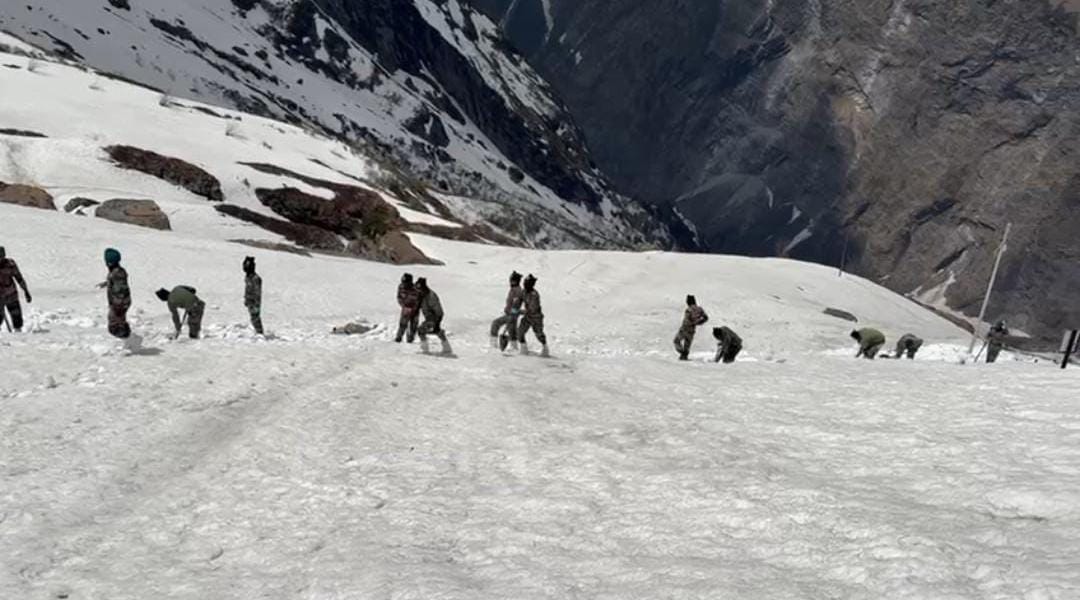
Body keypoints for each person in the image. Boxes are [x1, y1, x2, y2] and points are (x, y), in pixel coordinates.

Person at [416, 277, 452, 355]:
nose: (418, 291)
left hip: (435, 317)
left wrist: (435, 320)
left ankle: (425, 349)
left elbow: (437, 309)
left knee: (421, 330)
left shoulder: (431, 296)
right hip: (430, 317)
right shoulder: (421, 296)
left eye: (419, 289)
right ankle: (447, 348)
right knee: (436, 331)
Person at [490, 271, 524, 351]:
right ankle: (495, 344)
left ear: (515, 281)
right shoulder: (513, 289)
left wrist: (513, 313)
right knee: (499, 325)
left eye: (511, 280)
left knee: (504, 327)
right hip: (509, 314)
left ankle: (513, 347)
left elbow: (516, 304)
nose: (510, 282)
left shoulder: (518, 291)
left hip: (512, 315)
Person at [103, 247, 132, 340]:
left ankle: (123, 341)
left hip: (120, 303)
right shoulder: (117, 271)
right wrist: (107, 283)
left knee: (114, 323)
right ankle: (127, 339)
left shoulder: (117, 273)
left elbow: (121, 289)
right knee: (118, 320)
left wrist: (118, 304)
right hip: (120, 302)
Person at [0, 246, 31, 332]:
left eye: (1, 256)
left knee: (17, 318)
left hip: (11, 295)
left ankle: (18, 338)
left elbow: (19, 278)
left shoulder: (10, 264)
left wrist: (26, 291)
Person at [518, 274, 549, 357]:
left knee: (539, 334)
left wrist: (519, 311)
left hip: (536, 317)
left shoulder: (534, 295)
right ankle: (523, 349)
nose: (525, 284)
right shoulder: (523, 292)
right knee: (520, 332)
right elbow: (519, 300)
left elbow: (532, 309)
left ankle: (545, 348)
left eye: (527, 283)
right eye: (524, 282)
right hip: (528, 317)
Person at [674, 295, 708, 361]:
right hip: (692, 330)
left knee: (676, 341)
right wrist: (698, 322)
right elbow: (706, 318)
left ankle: (682, 353)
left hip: (685, 328)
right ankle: (684, 356)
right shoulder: (700, 309)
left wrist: (690, 323)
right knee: (687, 344)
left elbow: (687, 320)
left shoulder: (689, 309)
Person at [394, 273, 420, 343]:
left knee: (413, 326)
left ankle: (410, 340)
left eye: (406, 283)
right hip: (405, 309)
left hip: (415, 310)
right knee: (402, 325)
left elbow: (419, 300)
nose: (404, 284)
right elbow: (399, 297)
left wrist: (414, 308)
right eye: (403, 282)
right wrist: (404, 305)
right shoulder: (401, 287)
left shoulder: (416, 289)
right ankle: (398, 338)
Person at [243, 256, 264, 335]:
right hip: (250, 301)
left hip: (254, 302)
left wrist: (254, 303)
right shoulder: (248, 277)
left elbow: (257, 293)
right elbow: (248, 289)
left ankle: (260, 333)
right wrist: (246, 298)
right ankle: (258, 332)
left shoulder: (255, 278)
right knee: (253, 318)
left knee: (255, 318)